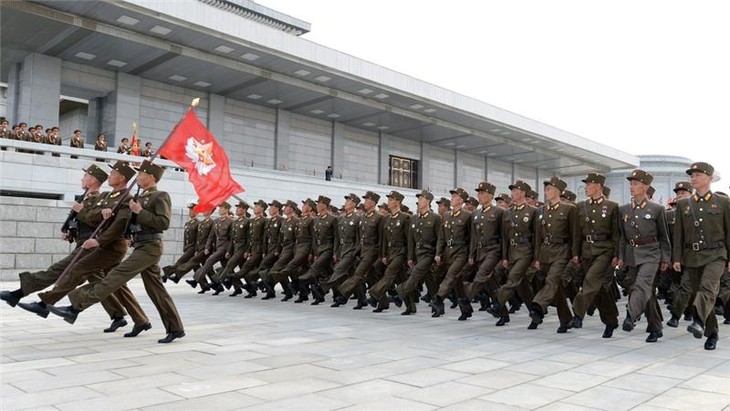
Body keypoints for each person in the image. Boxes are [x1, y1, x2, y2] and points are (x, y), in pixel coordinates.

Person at [50, 160, 186, 344]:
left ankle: (76, 306)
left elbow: (163, 223)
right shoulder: (139, 196)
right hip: (141, 245)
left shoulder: (160, 195)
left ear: (151, 177)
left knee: (116, 275)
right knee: (156, 290)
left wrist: (139, 211)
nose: (138, 177)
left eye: (141, 174)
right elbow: (131, 223)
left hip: (150, 247)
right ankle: (175, 328)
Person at [672, 162, 730, 350]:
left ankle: (697, 320)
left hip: (716, 254)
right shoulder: (683, 204)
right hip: (692, 256)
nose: (693, 178)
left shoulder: (723, 202)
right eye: (692, 175)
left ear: (709, 178)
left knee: (707, 289)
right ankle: (712, 333)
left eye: (698, 175)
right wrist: (677, 258)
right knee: (704, 296)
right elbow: (678, 235)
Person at [617, 169, 670, 343]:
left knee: (642, 285)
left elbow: (664, 236)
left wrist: (665, 258)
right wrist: (621, 257)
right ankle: (655, 327)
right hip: (632, 254)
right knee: (644, 292)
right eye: (631, 184)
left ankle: (630, 316)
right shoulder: (623, 209)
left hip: (651, 253)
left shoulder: (657, 209)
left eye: (636, 184)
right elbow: (622, 238)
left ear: (645, 187)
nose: (632, 187)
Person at [570, 172, 621, 338]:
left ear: (598, 186)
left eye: (589, 184)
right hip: (586, 251)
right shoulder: (580, 207)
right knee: (598, 290)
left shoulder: (612, 206)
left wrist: (616, 254)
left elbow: (616, 234)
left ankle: (577, 315)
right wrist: (575, 253)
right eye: (585, 185)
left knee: (590, 281)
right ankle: (611, 320)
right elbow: (577, 234)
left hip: (604, 251)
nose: (586, 188)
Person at [529, 177, 579, 333]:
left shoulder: (569, 209)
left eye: (549, 189)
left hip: (561, 251)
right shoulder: (541, 211)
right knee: (555, 288)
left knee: (552, 280)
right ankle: (566, 320)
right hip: (545, 252)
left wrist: (575, 254)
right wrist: (536, 257)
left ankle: (537, 305)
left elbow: (575, 234)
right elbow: (537, 236)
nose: (546, 192)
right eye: (546, 189)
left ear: (557, 191)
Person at [486, 181, 538, 326]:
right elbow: (505, 237)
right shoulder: (507, 212)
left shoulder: (533, 211)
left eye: (515, 191)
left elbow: (536, 236)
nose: (513, 193)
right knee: (523, 287)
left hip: (526, 251)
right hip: (512, 252)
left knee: (513, 278)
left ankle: (498, 304)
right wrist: (504, 256)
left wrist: (536, 257)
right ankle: (535, 314)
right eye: (512, 191)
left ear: (523, 193)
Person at [395, 190, 440, 315]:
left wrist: (438, 254)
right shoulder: (414, 218)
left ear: (428, 202)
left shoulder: (435, 218)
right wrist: (410, 257)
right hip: (418, 253)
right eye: (419, 199)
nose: (419, 201)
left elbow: (440, 238)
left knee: (414, 274)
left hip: (429, 253)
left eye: (422, 199)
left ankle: (400, 293)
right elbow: (411, 240)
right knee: (430, 282)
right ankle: (434, 306)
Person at [431, 187, 472, 319]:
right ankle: (466, 310)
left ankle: (438, 298)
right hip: (449, 252)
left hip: (462, 252)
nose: (452, 199)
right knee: (457, 282)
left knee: (451, 275)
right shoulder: (447, 215)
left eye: (454, 197)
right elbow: (442, 237)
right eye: (452, 196)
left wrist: (471, 255)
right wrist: (439, 253)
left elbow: (472, 238)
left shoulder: (467, 216)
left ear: (461, 200)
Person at [367, 191, 409, 312]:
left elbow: (409, 240)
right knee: (401, 279)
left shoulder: (405, 218)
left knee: (389, 274)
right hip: (390, 252)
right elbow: (384, 239)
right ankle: (410, 306)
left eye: (391, 200)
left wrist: (409, 256)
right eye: (389, 200)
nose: (389, 202)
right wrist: (383, 254)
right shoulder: (386, 218)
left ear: (398, 202)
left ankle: (374, 295)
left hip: (401, 251)